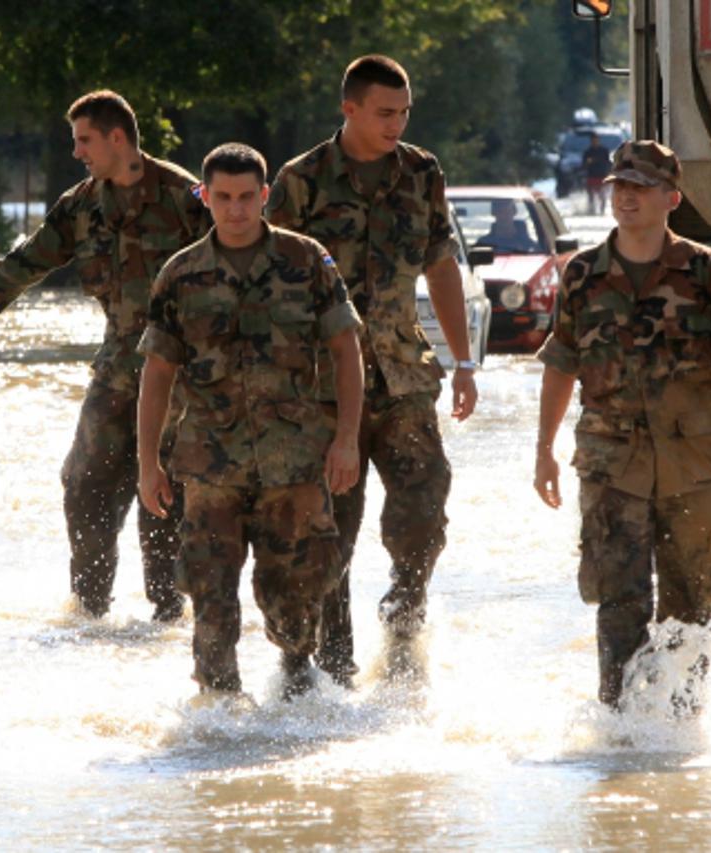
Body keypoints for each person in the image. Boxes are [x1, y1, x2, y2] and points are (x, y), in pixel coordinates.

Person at [0, 91, 209, 621]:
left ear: (116, 138)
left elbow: (240, 270)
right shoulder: (80, 206)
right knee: (83, 485)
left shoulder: (188, 197)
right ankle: (89, 616)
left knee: (167, 497)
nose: (77, 152)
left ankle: (170, 620)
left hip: (186, 379)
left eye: (84, 141)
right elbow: (18, 268)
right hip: (118, 371)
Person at [266, 55, 478, 686]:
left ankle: (405, 610)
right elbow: (269, 280)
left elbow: (440, 264)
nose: (398, 123)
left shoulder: (421, 171)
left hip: (404, 376)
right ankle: (329, 667)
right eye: (386, 112)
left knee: (423, 511)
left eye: (405, 112)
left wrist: (463, 361)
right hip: (325, 388)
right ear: (350, 109)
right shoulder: (301, 181)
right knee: (329, 530)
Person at [137, 142, 364, 698]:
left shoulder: (307, 260)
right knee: (211, 599)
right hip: (210, 466)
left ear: (264, 196)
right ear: (205, 197)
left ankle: (294, 677)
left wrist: (347, 440)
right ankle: (218, 718)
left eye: (246, 198)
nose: (235, 210)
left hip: (293, 465)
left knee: (293, 599)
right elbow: (158, 373)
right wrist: (148, 464)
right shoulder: (180, 274)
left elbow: (345, 350)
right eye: (222, 198)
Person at [534, 140, 711, 711]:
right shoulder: (582, 274)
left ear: (671, 198)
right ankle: (621, 728)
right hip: (611, 465)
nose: (626, 196)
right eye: (619, 186)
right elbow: (562, 361)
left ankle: (679, 724)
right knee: (619, 603)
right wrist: (544, 451)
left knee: (693, 605)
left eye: (640, 187)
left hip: (690, 467)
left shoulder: (707, 272)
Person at [582, 133, 612, 216]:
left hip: (602, 175)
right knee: (591, 195)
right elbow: (583, 164)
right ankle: (591, 210)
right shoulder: (588, 152)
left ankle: (602, 210)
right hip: (591, 175)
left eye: (596, 140)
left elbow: (608, 162)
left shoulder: (604, 151)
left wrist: (609, 172)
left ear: (598, 140)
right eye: (593, 140)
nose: (594, 142)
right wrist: (587, 163)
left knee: (602, 194)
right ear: (591, 141)